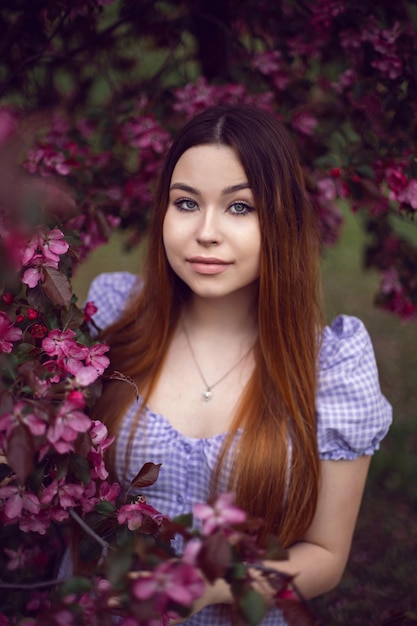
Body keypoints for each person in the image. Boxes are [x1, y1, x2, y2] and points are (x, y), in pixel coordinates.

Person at [87, 104, 392, 625]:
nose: (206, 232)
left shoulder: (332, 368)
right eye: (186, 203)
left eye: (239, 208)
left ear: (281, 221)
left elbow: (325, 556)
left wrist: (210, 589)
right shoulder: (116, 321)